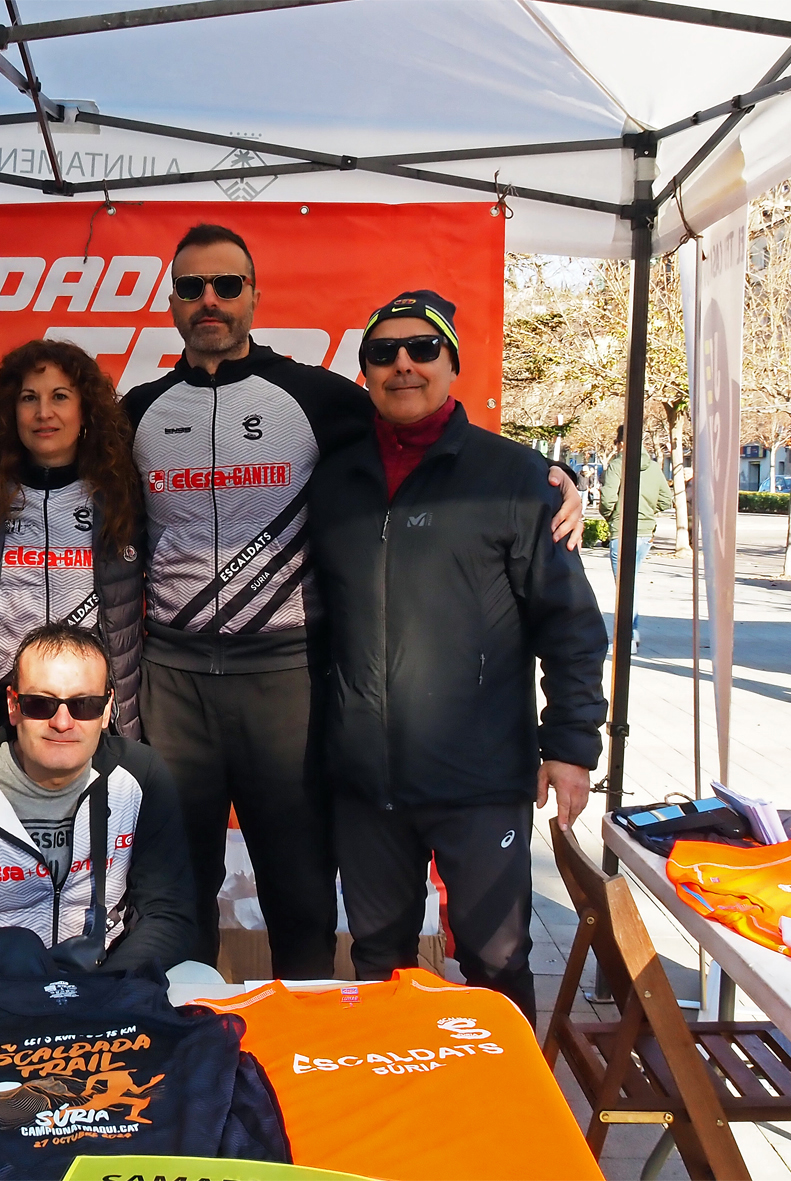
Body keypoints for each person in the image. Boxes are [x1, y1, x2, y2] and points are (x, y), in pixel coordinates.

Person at [120, 225, 587, 979]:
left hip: (285, 680)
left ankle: (308, 1061)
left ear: (253, 297)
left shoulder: (318, 396)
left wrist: (549, 475)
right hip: (172, 680)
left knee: (300, 892)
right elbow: (53, 460)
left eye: (227, 285)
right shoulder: (136, 409)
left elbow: (431, 436)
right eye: (191, 287)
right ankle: (187, 1058)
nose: (210, 300)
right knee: (175, 888)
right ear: (171, 300)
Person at [309, 290, 608, 1024]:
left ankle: (509, 1124)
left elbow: (568, 625)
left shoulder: (515, 478)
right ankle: (395, 1107)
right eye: (382, 353)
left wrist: (570, 745)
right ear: (364, 372)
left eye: (421, 350)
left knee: (496, 957)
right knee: (376, 956)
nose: (402, 365)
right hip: (363, 779)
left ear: (452, 364)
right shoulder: (332, 478)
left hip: (477, 779)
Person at [0, 623, 195, 971]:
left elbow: (170, 914)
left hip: (106, 984)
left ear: (108, 708)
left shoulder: (141, 778)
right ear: (13, 705)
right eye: (40, 704)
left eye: (84, 705)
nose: (63, 722)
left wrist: (108, 992)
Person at [0, 338, 144, 745]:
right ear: (11, 411)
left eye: (60, 396)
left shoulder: (122, 492)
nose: (44, 413)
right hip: (2, 702)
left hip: (88, 707)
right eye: (29, 398)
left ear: (85, 411)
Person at [599, 423, 673, 654]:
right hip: (645, 534)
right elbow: (666, 500)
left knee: (625, 587)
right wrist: (647, 512)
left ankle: (628, 636)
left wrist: (612, 515)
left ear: (620, 442)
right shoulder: (653, 467)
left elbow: (607, 499)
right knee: (629, 583)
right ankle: (631, 634)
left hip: (622, 531)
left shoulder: (618, 465)